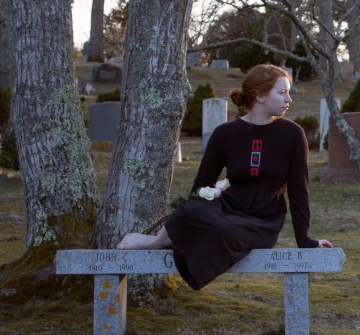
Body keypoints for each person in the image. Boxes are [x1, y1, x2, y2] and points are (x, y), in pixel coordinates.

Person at [117, 63, 332, 290]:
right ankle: (156, 241)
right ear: (259, 95)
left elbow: (299, 191)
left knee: (223, 231)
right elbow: (201, 186)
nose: (289, 99)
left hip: (262, 221)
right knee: (191, 209)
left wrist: (305, 241)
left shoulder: (292, 134)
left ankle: (164, 242)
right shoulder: (225, 134)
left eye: (288, 92)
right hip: (227, 207)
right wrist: (191, 209)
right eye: (282, 92)